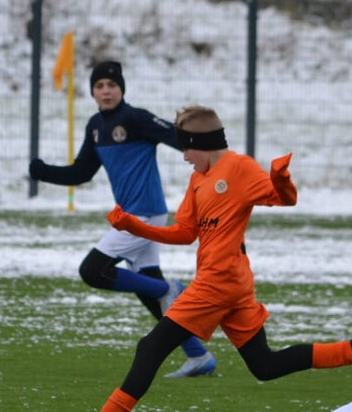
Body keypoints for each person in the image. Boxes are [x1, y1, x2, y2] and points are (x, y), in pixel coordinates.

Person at [47, 104, 352, 412]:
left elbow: (285, 199)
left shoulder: (239, 168)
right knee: (265, 364)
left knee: (151, 347)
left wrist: (280, 178)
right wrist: (133, 226)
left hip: (219, 281)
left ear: (205, 143)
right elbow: (185, 233)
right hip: (232, 282)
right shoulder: (198, 178)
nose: (183, 156)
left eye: (187, 148)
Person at [29, 60, 216, 378]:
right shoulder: (95, 127)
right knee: (148, 291)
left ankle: (166, 288)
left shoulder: (137, 118)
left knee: (93, 270)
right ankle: (198, 356)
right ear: (92, 91)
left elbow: (177, 137)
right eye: (99, 86)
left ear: (121, 89)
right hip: (133, 214)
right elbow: (82, 172)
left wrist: (215, 160)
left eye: (111, 85)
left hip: (145, 214)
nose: (105, 91)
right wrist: (43, 172)